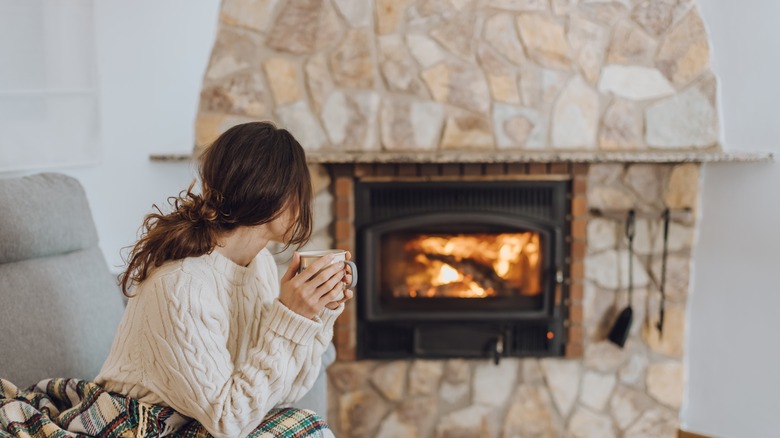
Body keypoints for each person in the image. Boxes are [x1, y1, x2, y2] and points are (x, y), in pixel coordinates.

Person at [94, 121, 351, 437]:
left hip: (197, 421)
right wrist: (291, 316)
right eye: (298, 188)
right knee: (307, 430)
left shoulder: (261, 266)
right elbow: (229, 421)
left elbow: (282, 394)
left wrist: (317, 313)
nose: (304, 202)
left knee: (304, 424)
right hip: (139, 425)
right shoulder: (183, 285)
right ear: (270, 192)